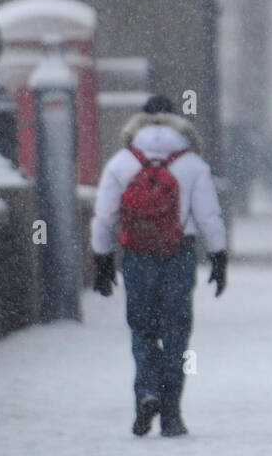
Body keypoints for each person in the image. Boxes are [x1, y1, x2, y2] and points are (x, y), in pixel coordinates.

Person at [91, 94, 228, 437]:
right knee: (176, 334)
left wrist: (102, 259)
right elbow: (209, 216)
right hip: (178, 254)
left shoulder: (122, 162)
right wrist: (219, 257)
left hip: (136, 255)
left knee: (142, 331)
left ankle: (147, 391)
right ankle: (172, 415)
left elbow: (105, 217)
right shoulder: (193, 163)